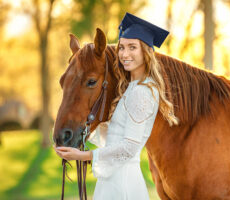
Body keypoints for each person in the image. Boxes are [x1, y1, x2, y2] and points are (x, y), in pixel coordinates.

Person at [54, 12, 178, 200]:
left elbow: (128, 148)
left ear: (146, 52)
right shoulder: (131, 89)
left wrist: (82, 156)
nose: (124, 54)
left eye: (132, 48)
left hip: (123, 187)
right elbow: (114, 139)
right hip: (113, 183)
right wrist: (77, 135)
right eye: (122, 47)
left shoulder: (143, 91)